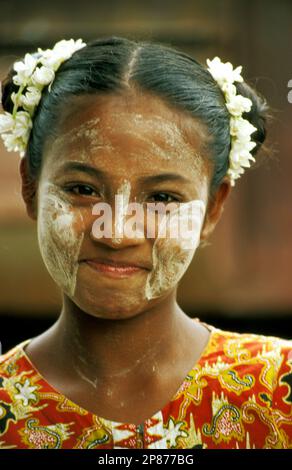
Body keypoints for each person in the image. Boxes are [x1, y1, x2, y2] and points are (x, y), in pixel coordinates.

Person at [0, 36, 291, 450]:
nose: (117, 232)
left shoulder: (280, 390)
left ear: (212, 209)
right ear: (31, 187)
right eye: (83, 189)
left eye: (161, 198)